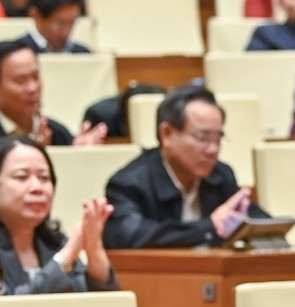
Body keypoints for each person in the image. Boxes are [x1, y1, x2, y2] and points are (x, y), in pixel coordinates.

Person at [104, 86, 270, 249]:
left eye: (217, 139)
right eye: (202, 137)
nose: (212, 150)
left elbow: (255, 219)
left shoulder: (220, 175)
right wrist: (209, 227)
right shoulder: (129, 183)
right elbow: (129, 236)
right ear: (167, 134)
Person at [0, 137, 115, 294]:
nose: (37, 188)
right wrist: (69, 253)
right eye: (22, 177)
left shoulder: (54, 241)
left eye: (44, 178)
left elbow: (101, 302)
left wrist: (93, 246)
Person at [0, 39, 105, 185]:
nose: (33, 88)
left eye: (36, 77)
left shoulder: (58, 133)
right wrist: (35, 154)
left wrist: (78, 158)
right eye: (21, 81)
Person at [23, 0, 88, 55]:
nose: (66, 32)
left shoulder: (83, 54)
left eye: (72, 22)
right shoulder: (15, 55)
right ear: (36, 16)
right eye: (59, 24)